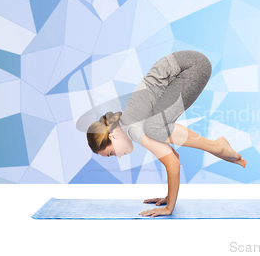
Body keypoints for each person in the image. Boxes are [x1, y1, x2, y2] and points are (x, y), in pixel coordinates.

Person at [87, 50, 247, 218]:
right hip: (188, 65)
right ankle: (217, 147)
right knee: (155, 128)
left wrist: (169, 207)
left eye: (111, 153)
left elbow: (173, 164)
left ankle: (217, 146)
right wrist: (169, 197)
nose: (118, 157)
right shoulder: (132, 122)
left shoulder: (133, 128)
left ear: (112, 136)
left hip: (190, 67)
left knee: (154, 128)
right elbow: (173, 156)